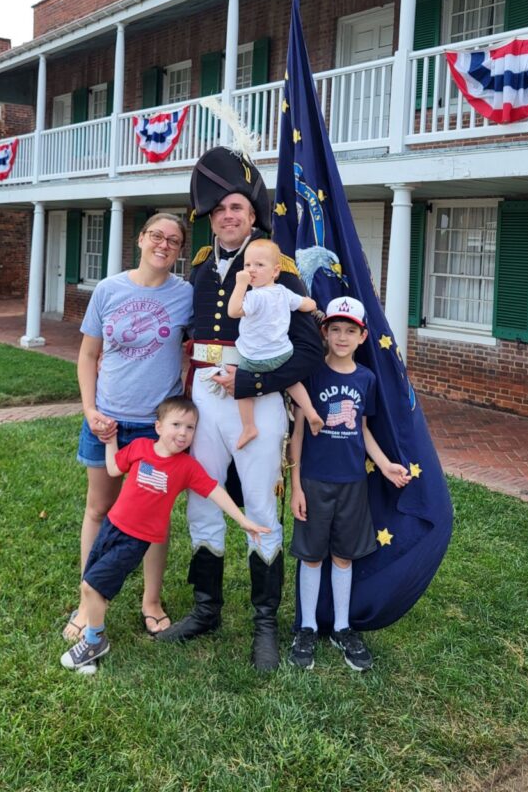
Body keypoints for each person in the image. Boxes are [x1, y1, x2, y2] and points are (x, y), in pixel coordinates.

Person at [157, 147, 324, 671]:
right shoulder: (203, 264)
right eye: (220, 210)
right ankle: (207, 610)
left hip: (259, 398)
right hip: (205, 396)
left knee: (257, 507)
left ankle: (264, 625)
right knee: (203, 500)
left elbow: (310, 350)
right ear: (210, 218)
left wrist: (252, 378)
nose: (228, 217)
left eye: (238, 208)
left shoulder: (279, 268)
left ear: (253, 215)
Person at [61, 396, 270, 673]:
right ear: (158, 427)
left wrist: (243, 519)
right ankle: (91, 649)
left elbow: (214, 490)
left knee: (92, 587)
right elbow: (113, 468)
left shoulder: (186, 467)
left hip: (135, 539)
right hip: (112, 527)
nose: (183, 433)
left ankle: (94, 641)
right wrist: (111, 442)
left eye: (190, 428)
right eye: (176, 425)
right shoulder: (139, 447)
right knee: (90, 581)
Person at [63, 212, 193, 643]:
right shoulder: (108, 289)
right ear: (140, 239)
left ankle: (151, 601)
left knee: (154, 517)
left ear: (179, 251)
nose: (163, 244)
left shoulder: (186, 295)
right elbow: (87, 356)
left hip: (159, 429)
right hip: (109, 422)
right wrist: (89, 409)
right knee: (99, 508)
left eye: (173, 240)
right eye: (156, 235)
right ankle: (88, 599)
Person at [287, 296, 411, 672]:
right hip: (313, 479)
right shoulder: (311, 374)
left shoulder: (366, 378)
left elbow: (363, 429)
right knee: (312, 555)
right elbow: (297, 434)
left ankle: (342, 626)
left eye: (350, 331)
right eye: (336, 329)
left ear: (362, 336)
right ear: (325, 332)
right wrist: (296, 485)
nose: (342, 337)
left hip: (353, 481)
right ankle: (307, 627)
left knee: (342, 555)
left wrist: (385, 464)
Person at [227, 237, 323, 450]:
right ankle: (311, 413)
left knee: (243, 388)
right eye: (247, 265)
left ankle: (248, 426)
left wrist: (240, 284)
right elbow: (305, 304)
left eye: (259, 265)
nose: (252, 270)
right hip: (282, 354)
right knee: (292, 381)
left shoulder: (253, 297)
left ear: (275, 271)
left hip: (254, 358)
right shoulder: (283, 292)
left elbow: (233, 311)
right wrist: (312, 303)